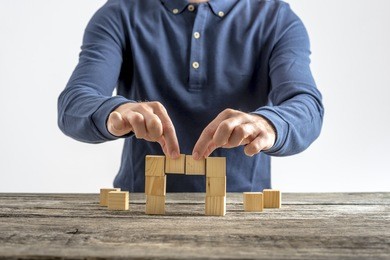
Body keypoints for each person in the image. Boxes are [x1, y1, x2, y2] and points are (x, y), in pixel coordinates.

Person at [58, 0, 324, 192]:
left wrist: (268, 123)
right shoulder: (118, 13)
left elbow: (306, 105)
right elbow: (74, 103)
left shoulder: (277, 18)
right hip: (140, 209)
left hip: (242, 211)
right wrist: (114, 112)